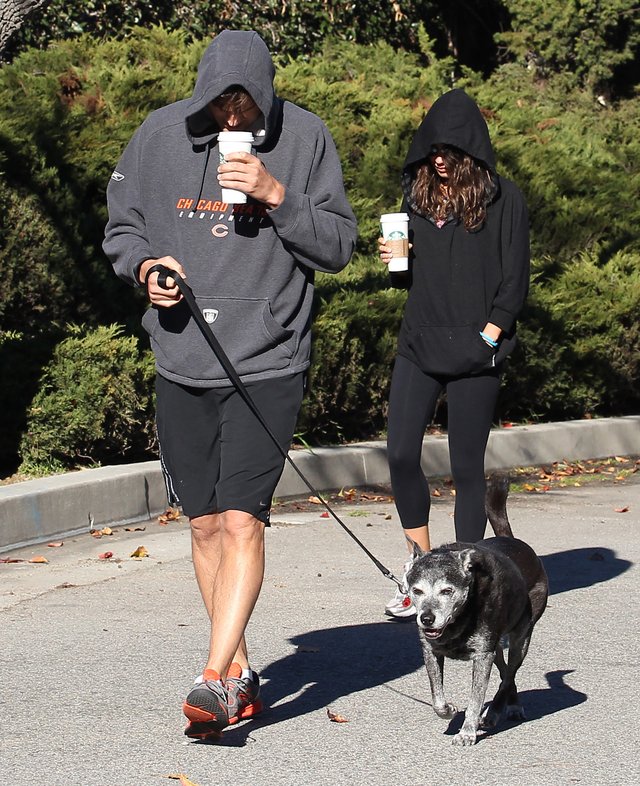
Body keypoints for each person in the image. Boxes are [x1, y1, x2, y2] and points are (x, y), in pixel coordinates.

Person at [103, 29, 357, 736]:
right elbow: (122, 227)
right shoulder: (158, 137)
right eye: (220, 106)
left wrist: (277, 193)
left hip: (268, 356)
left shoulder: (304, 138)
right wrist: (146, 270)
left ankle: (212, 677)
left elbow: (339, 244)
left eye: (244, 105)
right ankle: (239, 667)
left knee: (244, 516)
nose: (233, 120)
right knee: (206, 521)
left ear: (265, 97)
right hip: (183, 353)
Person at [378, 88, 530, 619]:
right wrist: (395, 262)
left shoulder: (503, 198)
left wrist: (490, 335)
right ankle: (420, 573)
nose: (438, 159)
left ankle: (465, 580)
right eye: (431, 149)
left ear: (470, 150)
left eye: (449, 150)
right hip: (419, 343)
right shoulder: (416, 197)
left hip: (476, 349)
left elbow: (515, 280)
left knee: (466, 467)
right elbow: (408, 281)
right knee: (400, 453)